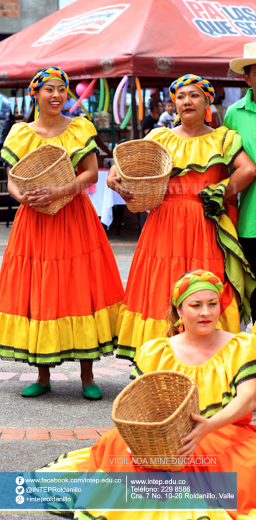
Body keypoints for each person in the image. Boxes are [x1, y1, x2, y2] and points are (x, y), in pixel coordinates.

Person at [35, 270, 256, 519]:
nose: (206, 312)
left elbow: (248, 398)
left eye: (212, 304)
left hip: (223, 430)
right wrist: (140, 438)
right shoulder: (156, 351)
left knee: (191, 453)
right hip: (163, 433)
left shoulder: (242, 345)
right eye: (196, 305)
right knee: (117, 443)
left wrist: (206, 427)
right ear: (179, 311)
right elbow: (143, 403)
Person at [0, 66, 124, 399]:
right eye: (49, 89)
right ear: (36, 94)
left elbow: (91, 174)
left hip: (74, 217)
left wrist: (61, 190)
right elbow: (13, 180)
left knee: (80, 286)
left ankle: (88, 375)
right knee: (39, 289)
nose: (57, 95)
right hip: (34, 220)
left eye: (62, 89)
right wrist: (23, 198)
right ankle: (42, 374)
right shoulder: (20, 133)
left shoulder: (79, 128)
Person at [107, 74, 256, 354]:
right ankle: (161, 357)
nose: (187, 101)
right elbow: (124, 163)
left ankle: (207, 359)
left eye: (195, 95)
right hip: (163, 223)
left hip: (204, 224)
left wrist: (221, 190)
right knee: (161, 284)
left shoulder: (223, 138)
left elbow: (248, 169)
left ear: (207, 101)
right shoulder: (159, 136)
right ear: (174, 103)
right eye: (180, 96)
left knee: (203, 285)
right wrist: (112, 179)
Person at [224, 42, 256, 323]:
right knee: (255, 291)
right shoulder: (233, 114)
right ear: (247, 78)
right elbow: (227, 166)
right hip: (250, 218)